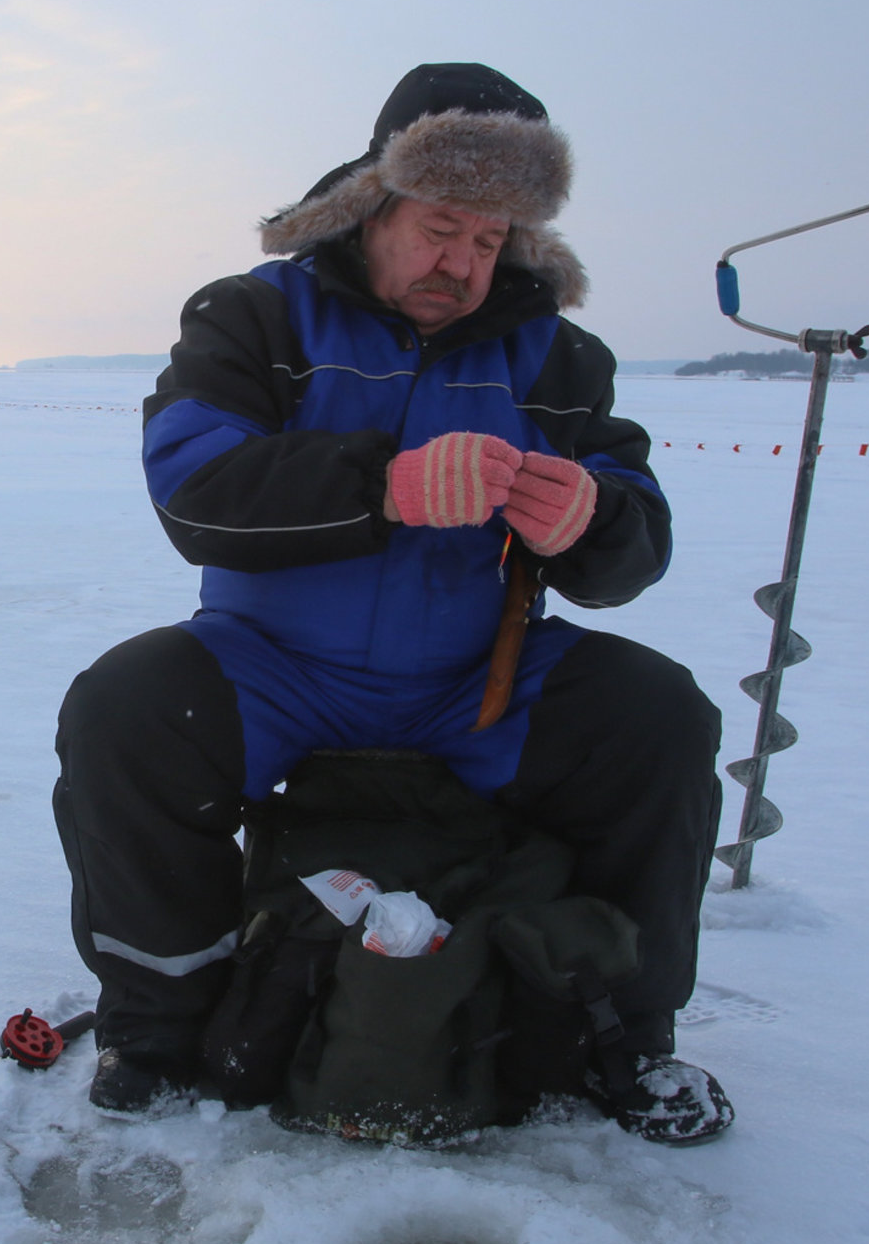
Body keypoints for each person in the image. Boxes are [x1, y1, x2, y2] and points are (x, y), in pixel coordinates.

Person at [51, 64, 734, 1144]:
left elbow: (632, 544)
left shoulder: (557, 351)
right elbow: (195, 490)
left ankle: (621, 1033)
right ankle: (160, 1026)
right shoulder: (255, 316)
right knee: (126, 710)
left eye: (491, 239)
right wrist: (386, 484)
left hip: (478, 681)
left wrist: (591, 519)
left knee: (660, 718)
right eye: (442, 227)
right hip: (274, 667)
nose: (463, 264)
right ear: (376, 197)